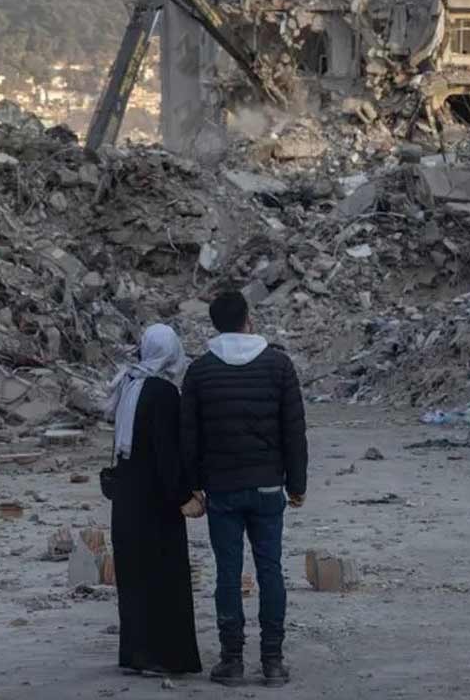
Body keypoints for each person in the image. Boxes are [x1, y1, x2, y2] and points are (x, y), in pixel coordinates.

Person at [181, 291, 309, 688]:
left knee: (228, 572)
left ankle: (232, 661)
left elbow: (189, 438)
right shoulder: (278, 365)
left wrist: (192, 488)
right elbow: (294, 430)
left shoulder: (200, 372)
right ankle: (273, 661)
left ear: (215, 325)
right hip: (269, 486)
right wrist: (298, 485)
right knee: (270, 569)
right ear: (248, 319)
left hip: (222, 489)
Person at [105, 324, 203, 677]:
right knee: (163, 576)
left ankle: (136, 653)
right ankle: (164, 656)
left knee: (134, 577)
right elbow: (166, 453)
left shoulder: (128, 384)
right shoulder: (163, 392)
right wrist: (185, 496)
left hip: (126, 496)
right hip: (155, 500)